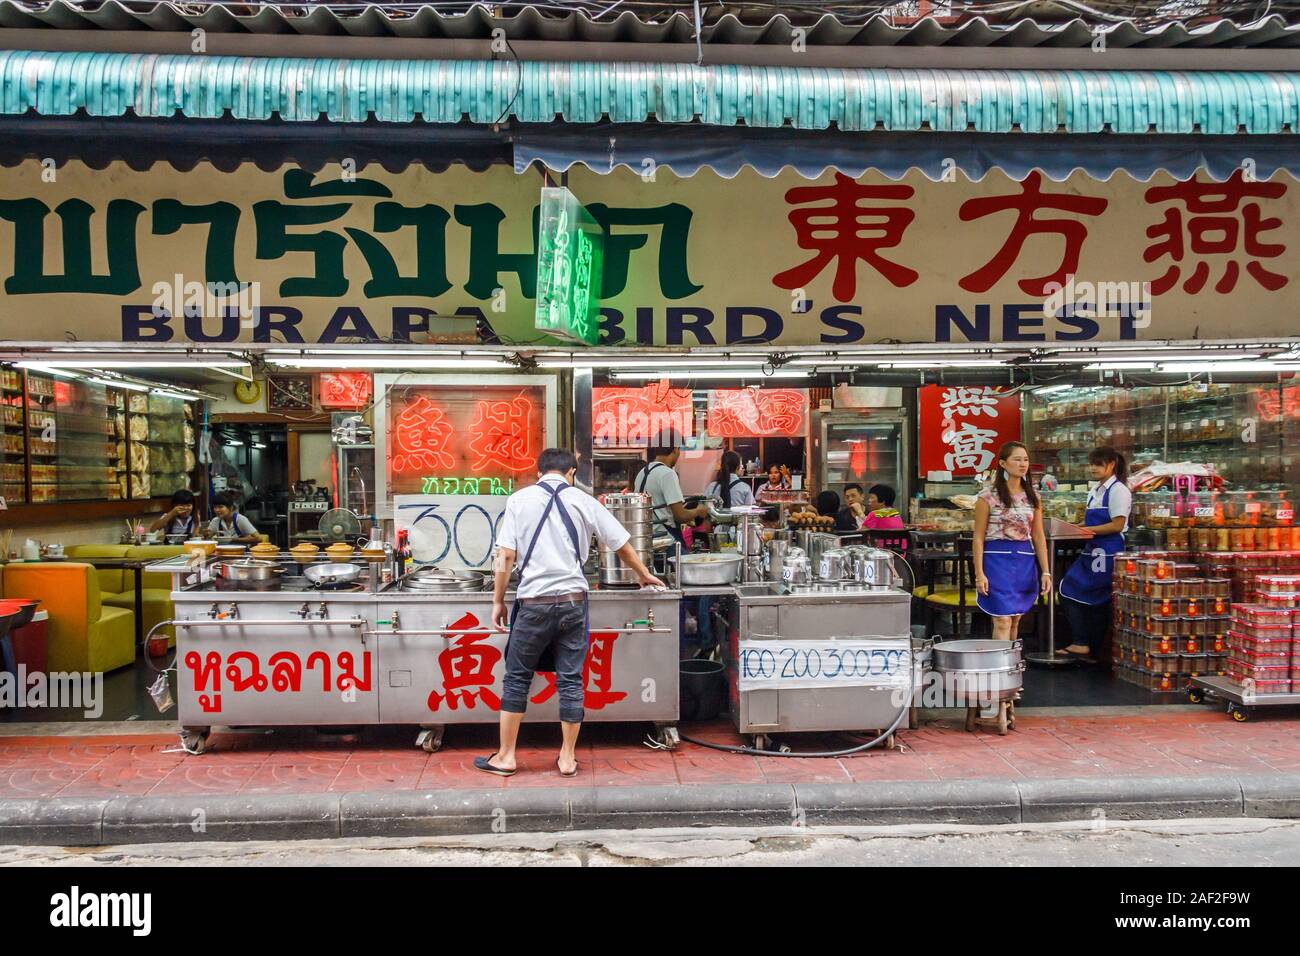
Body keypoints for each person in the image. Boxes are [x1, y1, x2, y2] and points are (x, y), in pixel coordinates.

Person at [478, 448, 665, 778]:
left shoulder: (519, 501)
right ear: (571, 473)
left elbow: (505, 557)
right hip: (573, 602)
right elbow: (620, 542)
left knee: (517, 678)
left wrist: (497, 601)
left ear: (538, 473)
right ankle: (566, 758)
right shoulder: (584, 500)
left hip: (533, 603)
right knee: (570, 679)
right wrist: (642, 573)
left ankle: (506, 756)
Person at [973, 442, 1051, 644]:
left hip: (1024, 559)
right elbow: (979, 537)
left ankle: (1011, 666)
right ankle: (999, 669)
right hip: (996, 560)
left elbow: (1039, 536)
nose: (1022, 464)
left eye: (1025, 459)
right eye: (1017, 459)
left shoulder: (1034, 498)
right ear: (1003, 464)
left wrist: (1045, 571)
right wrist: (979, 573)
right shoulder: (987, 497)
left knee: (1016, 619)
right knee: (1002, 620)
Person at [1059, 447, 1131, 662]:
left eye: (1098, 464)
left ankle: (1084, 643)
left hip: (1107, 551)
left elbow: (1118, 524)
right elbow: (1090, 522)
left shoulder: (1119, 490)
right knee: (1088, 597)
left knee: (1075, 590)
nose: (1093, 468)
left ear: (1112, 465)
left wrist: (1085, 531)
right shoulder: (1095, 491)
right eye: (1091, 464)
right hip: (1093, 550)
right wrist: (1071, 527)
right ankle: (1089, 645)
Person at [633, 430, 709, 549]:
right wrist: (699, 511)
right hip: (666, 540)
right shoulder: (667, 474)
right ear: (675, 449)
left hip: (648, 540)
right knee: (685, 567)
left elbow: (659, 509)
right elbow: (680, 516)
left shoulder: (642, 473)